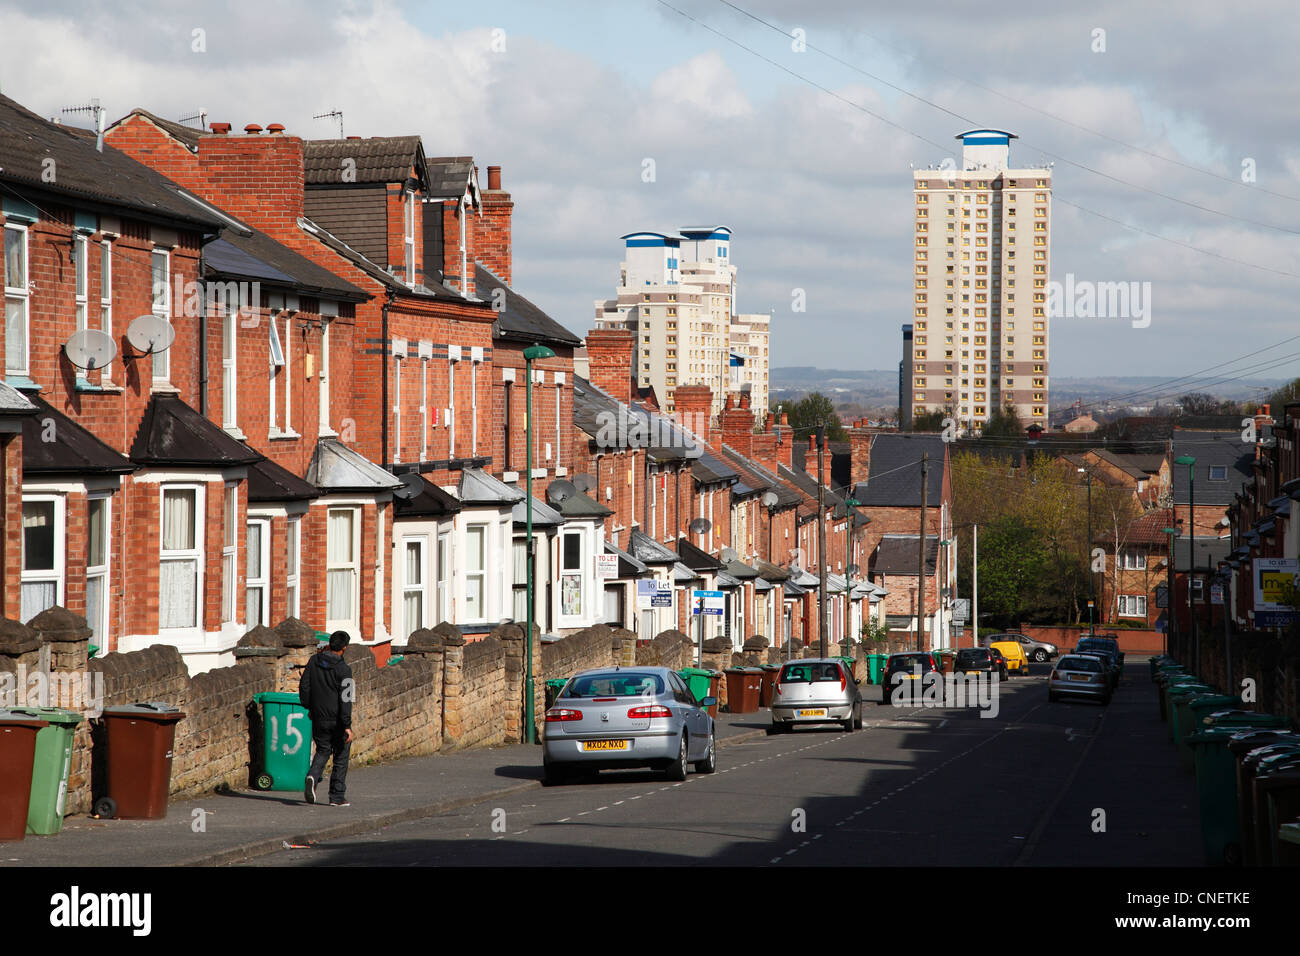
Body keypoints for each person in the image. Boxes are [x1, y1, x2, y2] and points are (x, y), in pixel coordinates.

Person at [299, 630, 355, 807]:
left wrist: (310, 707)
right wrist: (347, 725)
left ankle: (313, 776)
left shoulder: (314, 661)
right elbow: (346, 699)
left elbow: (304, 686)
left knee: (323, 749)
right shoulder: (344, 670)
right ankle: (337, 796)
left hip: (318, 716)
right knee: (341, 754)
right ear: (344, 647)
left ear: (330, 643)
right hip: (337, 719)